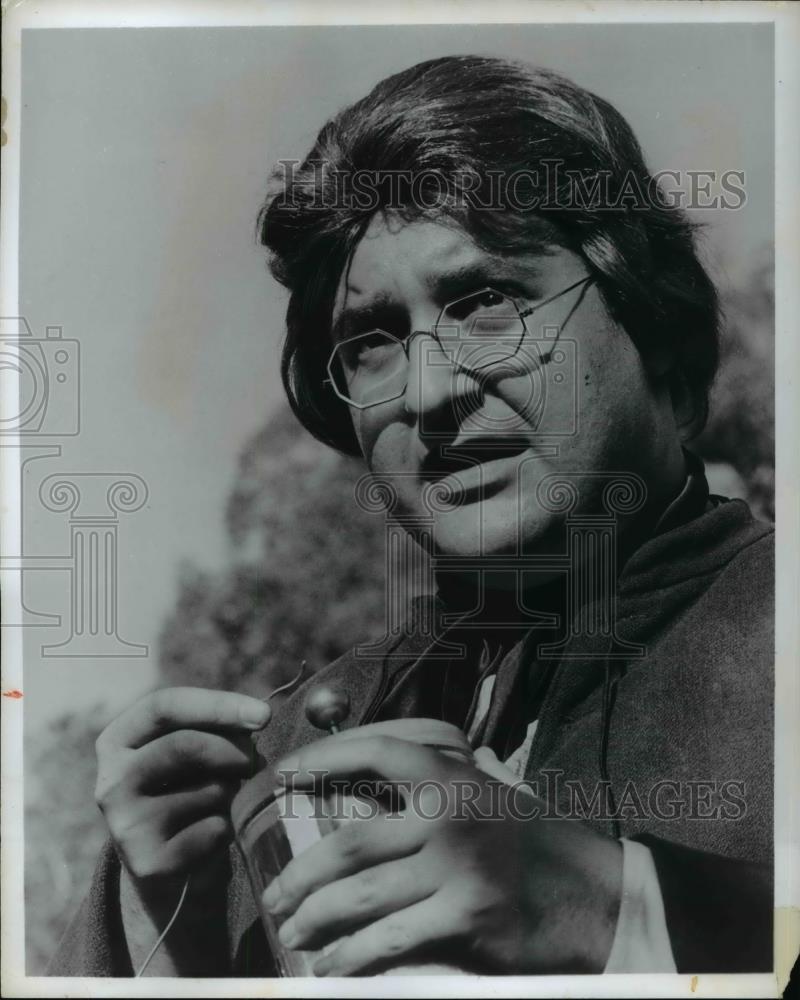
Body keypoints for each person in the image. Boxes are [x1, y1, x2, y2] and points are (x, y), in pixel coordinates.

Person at [50, 55, 773, 977]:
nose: (428, 392)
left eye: (485, 302)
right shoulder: (271, 762)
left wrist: (621, 910)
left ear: (664, 354)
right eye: (371, 342)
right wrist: (171, 924)